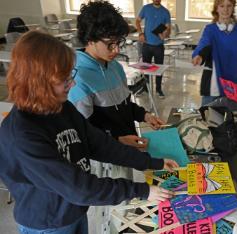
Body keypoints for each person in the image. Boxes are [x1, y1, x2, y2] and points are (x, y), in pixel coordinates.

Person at [0, 31, 178, 234]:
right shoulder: (22, 135)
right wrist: (142, 191)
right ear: (38, 82)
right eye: (64, 80)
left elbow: (100, 145)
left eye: (70, 76)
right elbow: (79, 187)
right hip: (47, 223)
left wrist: (152, 162)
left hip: (73, 210)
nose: (72, 84)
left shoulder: (60, 107)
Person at [68, 1, 164, 152]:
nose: (117, 49)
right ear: (90, 39)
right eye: (110, 44)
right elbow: (83, 130)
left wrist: (145, 115)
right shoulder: (78, 78)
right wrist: (116, 139)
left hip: (127, 147)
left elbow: (124, 104)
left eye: (119, 42)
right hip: (105, 155)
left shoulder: (115, 66)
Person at [192, 0, 237, 106]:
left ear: (233, 8)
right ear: (216, 8)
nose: (225, 9)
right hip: (213, 82)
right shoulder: (210, 29)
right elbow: (203, 43)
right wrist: (198, 55)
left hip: (233, 82)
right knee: (208, 118)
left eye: (229, 6)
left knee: (232, 118)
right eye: (222, 6)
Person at [135, 0, 171, 98]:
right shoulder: (146, 8)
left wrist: (165, 34)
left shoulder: (165, 12)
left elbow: (168, 29)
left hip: (159, 46)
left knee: (159, 69)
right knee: (145, 67)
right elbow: (137, 20)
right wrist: (141, 33)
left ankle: (158, 89)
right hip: (146, 44)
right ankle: (145, 88)